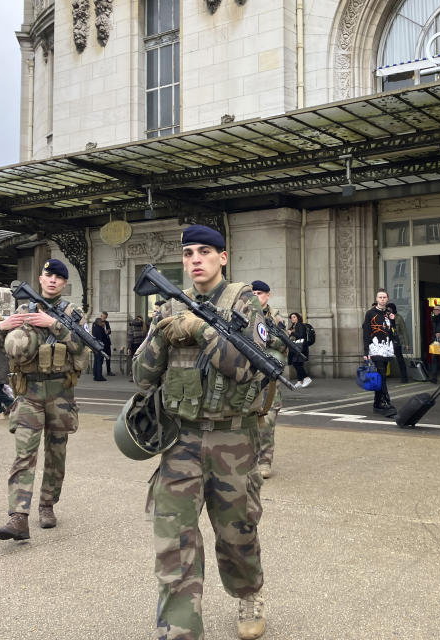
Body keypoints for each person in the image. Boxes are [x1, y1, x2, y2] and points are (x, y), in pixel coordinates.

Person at [133, 224, 267, 640]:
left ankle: (249, 594)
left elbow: (246, 368)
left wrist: (198, 328)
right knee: (174, 536)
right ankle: (180, 627)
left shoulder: (243, 301)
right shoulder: (167, 307)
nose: (195, 259)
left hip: (233, 439)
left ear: (222, 257)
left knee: (236, 534)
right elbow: (141, 376)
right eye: (189, 252)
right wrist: (161, 333)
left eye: (204, 251)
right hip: (181, 438)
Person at [0, 258, 90, 541]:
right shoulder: (23, 310)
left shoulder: (74, 313)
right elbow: (0, 347)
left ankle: (47, 505)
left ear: (63, 283)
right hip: (29, 394)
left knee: (56, 454)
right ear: (40, 278)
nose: (52, 281)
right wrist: (2, 327)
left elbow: (81, 346)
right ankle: (18, 517)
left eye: (58, 278)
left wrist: (54, 325)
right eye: (48, 276)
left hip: (61, 393)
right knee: (24, 454)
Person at [252, 279, 287, 480]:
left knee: (267, 420)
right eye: (253, 293)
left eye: (260, 293)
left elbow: (283, 345)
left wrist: (263, 337)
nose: (256, 296)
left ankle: (264, 461)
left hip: (268, 377)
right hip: (246, 375)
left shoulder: (276, 318)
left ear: (268, 295)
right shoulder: (244, 314)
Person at [363, 288, 397, 417]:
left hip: (386, 347)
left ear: (387, 299)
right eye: (380, 297)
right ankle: (386, 402)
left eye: (384, 297)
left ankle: (377, 403)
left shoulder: (388, 313)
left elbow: (392, 331)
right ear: (376, 299)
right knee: (382, 374)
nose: (382, 299)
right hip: (375, 347)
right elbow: (366, 332)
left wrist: (392, 320)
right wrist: (366, 351)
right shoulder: (370, 313)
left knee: (381, 376)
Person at [386, 302, 409, 383]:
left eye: (390, 310)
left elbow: (404, 331)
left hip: (396, 341)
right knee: (384, 359)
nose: (388, 311)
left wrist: (406, 343)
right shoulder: (385, 317)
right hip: (386, 342)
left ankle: (404, 377)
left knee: (400, 360)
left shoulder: (398, 318)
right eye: (387, 310)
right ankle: (383, 377)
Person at [288, 312, 312, 387]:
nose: (292, 318)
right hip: (296, 348)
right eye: (291, 317)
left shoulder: (300, 325)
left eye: (294, 317)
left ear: (298, 317)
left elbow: (301, 335)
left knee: (296, 363)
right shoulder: (293, 326)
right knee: (298, 364)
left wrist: (291, 333)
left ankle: (306, 378)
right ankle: (300, 381)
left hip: (300, 348)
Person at [91, 317, 108, 381]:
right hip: (99, 346)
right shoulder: (99, 328)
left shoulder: (94, 326)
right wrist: (103, 328)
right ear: (99, 323)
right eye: (101, 322)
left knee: (96, 361)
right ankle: (99, 376)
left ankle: (95, 375)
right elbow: (103, 337)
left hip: (95, 346)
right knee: (99, 361)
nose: (102, 323)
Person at [100, 311, 114, 376]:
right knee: (101, 358)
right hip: (102, 343)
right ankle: (99, 372)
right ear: (101, 316)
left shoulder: (107, 323)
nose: (104, 319)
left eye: (105, 318)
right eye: (104, 317)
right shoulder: (98, 323)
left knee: (108, 357)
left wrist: (108, 331)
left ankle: (109, 371)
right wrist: (104, 332)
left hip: (107, 342)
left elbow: (109, 331)